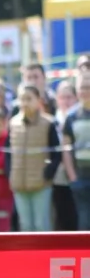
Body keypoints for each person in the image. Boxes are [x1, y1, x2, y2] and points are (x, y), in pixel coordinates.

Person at [5, 84, 61, 232]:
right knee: (26, 226)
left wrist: (48, 173)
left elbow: (57, 153)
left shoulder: (48, 123)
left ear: (38, 100)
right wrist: (9, 174)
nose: (25, 103)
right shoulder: (12, 123)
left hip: (41, 184)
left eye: (29, 99)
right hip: (19, 183)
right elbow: (7, 153)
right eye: (22, 99)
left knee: (41, 225)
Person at [62, 72, 90, 231]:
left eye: (88, 87)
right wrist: (72, 176)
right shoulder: (71, 116)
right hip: (81, 178)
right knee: (85, 219)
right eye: (81, 88)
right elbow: (66, 149)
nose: (85, 91)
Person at [52, 81, 78, 231]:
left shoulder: (78, 116)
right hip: (59, 177)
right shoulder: (52, 120)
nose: (66, 101)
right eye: (62, 97)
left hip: (79, 173)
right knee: (63, 214)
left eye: (69, 97)